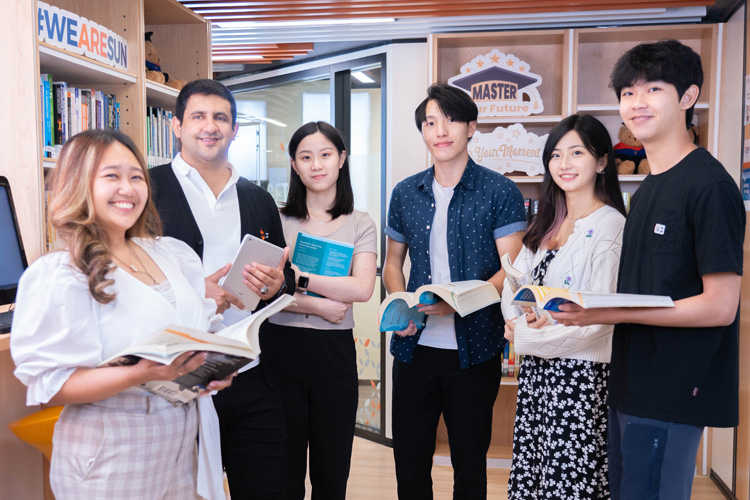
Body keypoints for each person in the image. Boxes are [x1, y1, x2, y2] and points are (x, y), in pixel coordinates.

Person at [552, 40, 745, 499]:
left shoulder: (710, 186)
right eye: (628, 93)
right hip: (631, 384)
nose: (637, 104)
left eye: (653, 88)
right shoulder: (649, 187)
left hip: (674, 391)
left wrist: (607, 314)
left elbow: (720, 307)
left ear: (688, 96)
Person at [10, 129, 232, 499]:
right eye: (111, 176)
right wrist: (140, 372)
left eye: (136, 176)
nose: (128, 188)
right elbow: (52, 387)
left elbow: (197, 331)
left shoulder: (170, 254)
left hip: (181, 437)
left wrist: (210, 371)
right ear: (80, 184)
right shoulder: (62, 273)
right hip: (111, 444)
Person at [149, 79, 296, 500]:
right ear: (176, 125)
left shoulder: (256, 197)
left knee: (270, 488)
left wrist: (273, 286)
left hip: (250, 372)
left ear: (234, 129)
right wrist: (198, 294)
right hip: (181, 374)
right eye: (198, 116)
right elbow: (133, 280)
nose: (210, 126)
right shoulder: (147, 190)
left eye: (221, 118)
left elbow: (281, 276)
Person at [383, 82, 526, 500]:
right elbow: (393, 264)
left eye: (450, 120)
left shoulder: (500, 191)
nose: (440, 130)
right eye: (430, 122)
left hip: (475, 348)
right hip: (413, 349)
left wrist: (459, 302)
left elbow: (511, 271)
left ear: (471, 128)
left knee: (469, 462)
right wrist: (402, 305)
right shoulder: (406, 192)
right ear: (423, 132)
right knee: (409, 461)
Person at [501, 114, 627, 499]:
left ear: (602, 162)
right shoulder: (547, 223)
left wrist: (521, 333)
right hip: (539, 377)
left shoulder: (610, 225)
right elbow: (513, 287)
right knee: (537, 480)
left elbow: (598, 321)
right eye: (556, 155)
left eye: (577, 153)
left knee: (571, 484)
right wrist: (519, 318)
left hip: (580, 382)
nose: (564, 164)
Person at [266, 121, 377, 499]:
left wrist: (297, 278)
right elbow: (264, 293)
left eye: (326, 154)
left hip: (334, 355)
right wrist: (321, 306)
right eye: (306, 157)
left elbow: (361, 287)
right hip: (281, 349)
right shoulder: (276, 221)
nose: (317, 164)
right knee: (285, 471)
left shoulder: (360, 223)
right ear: (294, 165)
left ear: (342, 159)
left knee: (332, 472)